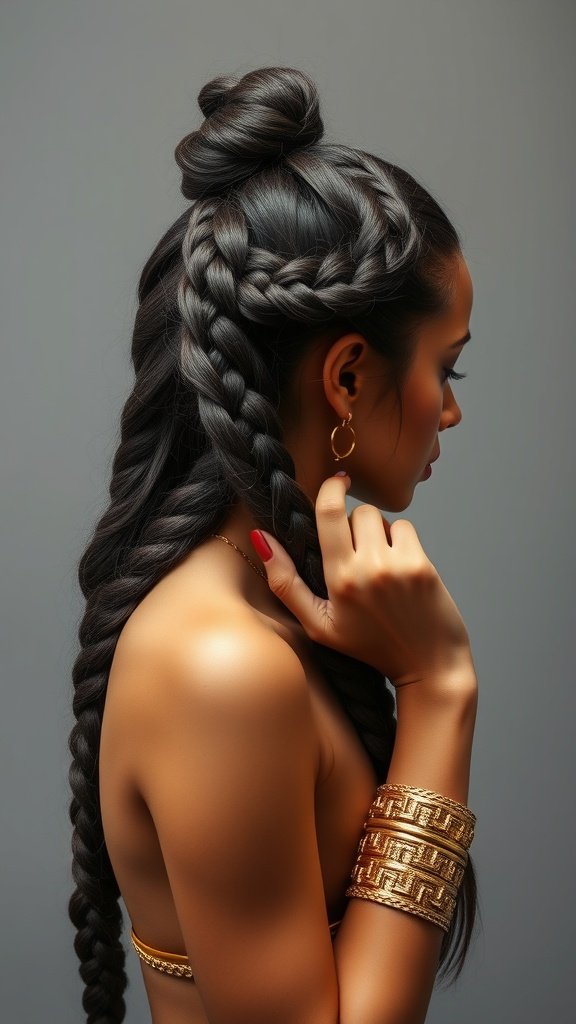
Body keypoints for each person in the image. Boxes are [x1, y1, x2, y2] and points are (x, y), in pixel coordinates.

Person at [68, 65, 480, 1024]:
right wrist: (439, 692)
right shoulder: (222, 668)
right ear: (346, 376)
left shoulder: (261, 609)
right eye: (448, 369)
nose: (452, 412)